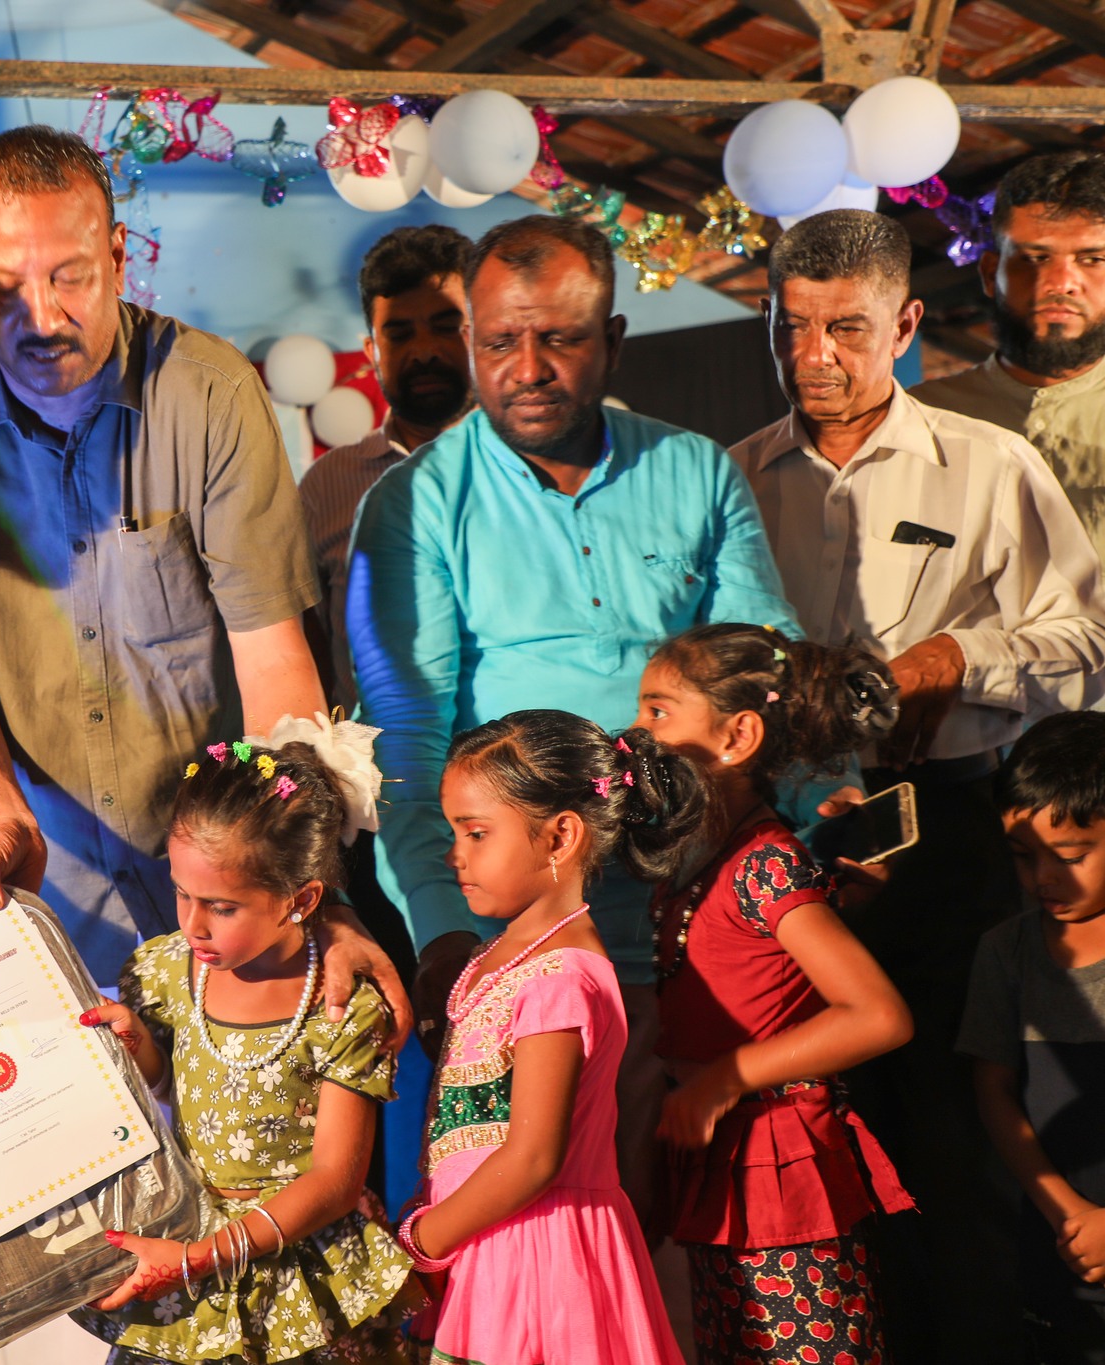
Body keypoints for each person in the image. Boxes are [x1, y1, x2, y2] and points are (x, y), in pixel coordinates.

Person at [0, 125, 406, 1017]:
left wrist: (310, 887)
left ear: (118, 255)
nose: (42, 317)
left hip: (222, 875)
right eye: (4, 287)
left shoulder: (209, 392)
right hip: (35, 876)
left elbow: (272, 658)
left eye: (70, 276)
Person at [348, 213, 798, 1231]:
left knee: (714, 1223)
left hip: (704, 913)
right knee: (544, 1221)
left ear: (614, 341)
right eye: (499, 341)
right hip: (526, 935)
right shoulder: (416, 503)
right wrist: (449, 939)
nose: (527, 369)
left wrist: (813, 827)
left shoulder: (694, 471)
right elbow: (406, 748)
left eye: (558, 338)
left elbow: (760, 676)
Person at [729, 207, 1105, 1364]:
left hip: (944, 830)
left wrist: (958, 658)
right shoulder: (731, 478)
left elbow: (1087, 639)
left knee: (953, 1144)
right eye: (789, 328)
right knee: (804, 1142)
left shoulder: (986, 463)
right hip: (779, 842)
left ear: (902, 325)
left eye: (844, 329)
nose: (813, 356)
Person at [73, 717, 421, 1364]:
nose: (193, 924)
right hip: (187, 1243)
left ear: (301, 898)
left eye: (222, 907)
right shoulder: (165, 971)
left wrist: (205, 1256)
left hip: (296, 1263)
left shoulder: (340, 1008)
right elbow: (177, 1086)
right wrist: (139, 1048)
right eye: (181, 893)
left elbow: (336, 1179)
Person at [634, 623, 916, 1360]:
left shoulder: (765, 864)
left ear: (738, 736)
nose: (638, 731)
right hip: (724, 1170)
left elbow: (878, 1015)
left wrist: (725, 1076)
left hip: (781, 1177)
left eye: (658, 710)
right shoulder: (702, 858)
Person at [398, 711, 692, 1364]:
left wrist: (419, 1243)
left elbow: (532, 1158)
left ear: (560, 836)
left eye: (476, 833)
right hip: (485, 1249)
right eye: (454, 832)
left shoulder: (559, 978)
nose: (455, 855)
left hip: (540, 1262)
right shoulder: (497, 956)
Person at [913, 151, 1105, 720]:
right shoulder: (922, 420)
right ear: (990, 271)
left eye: (1093, 259)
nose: (1060, 282)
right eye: (1034, 258)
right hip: (960, 750)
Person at [959, 710, 1105, 1364]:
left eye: (1070, 856)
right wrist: (1069, 1217)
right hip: (1062, 1257)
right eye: (1023, 856)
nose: (1043, 878)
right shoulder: (1006, 952)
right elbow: (995, 1093)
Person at [299, 223, 473, 712]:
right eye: (399, 334)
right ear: (371, 351)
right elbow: (308, 645)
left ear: (483, 332)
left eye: (446, 327)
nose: (424, 351)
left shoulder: (528, 467)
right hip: (378, 755)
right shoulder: (327, 485)